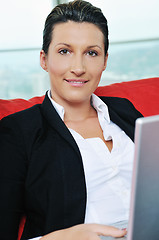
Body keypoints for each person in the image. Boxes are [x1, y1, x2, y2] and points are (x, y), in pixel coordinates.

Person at [0, 0, 143, 239]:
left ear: (105, 60)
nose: (78, 67)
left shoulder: (125, 111)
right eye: (64, 51)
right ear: (44, 59)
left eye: (91, 53)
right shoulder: (18, 132)